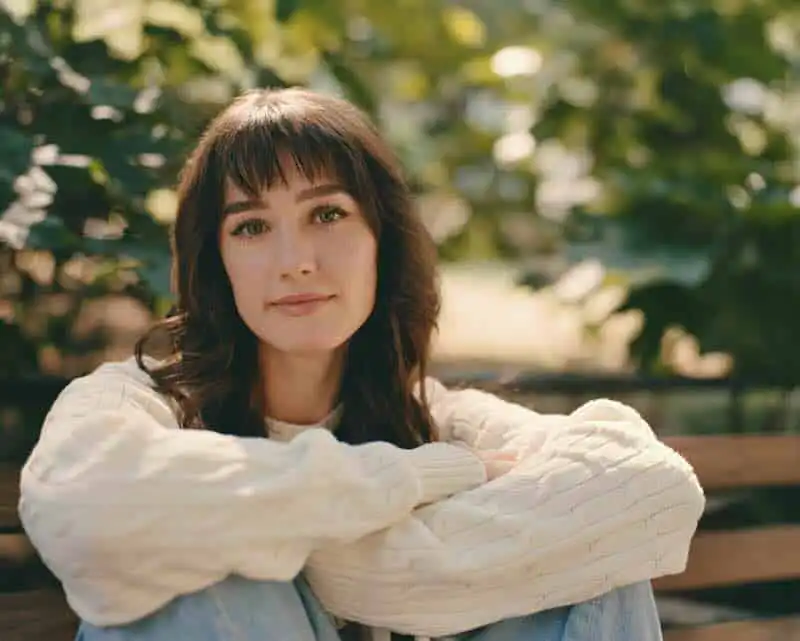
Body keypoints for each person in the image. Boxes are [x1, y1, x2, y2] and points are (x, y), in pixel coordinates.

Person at [18, 88, 705, 641]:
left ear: (382, 242)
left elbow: (654, 491)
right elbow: (83, 512)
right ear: (216, 263)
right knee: (204, 565)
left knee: (600, 566)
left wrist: (283, 529)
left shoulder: (439, 416)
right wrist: (417, 483)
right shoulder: (135, 406)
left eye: (327, 214)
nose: (295, 259)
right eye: (251, 226)